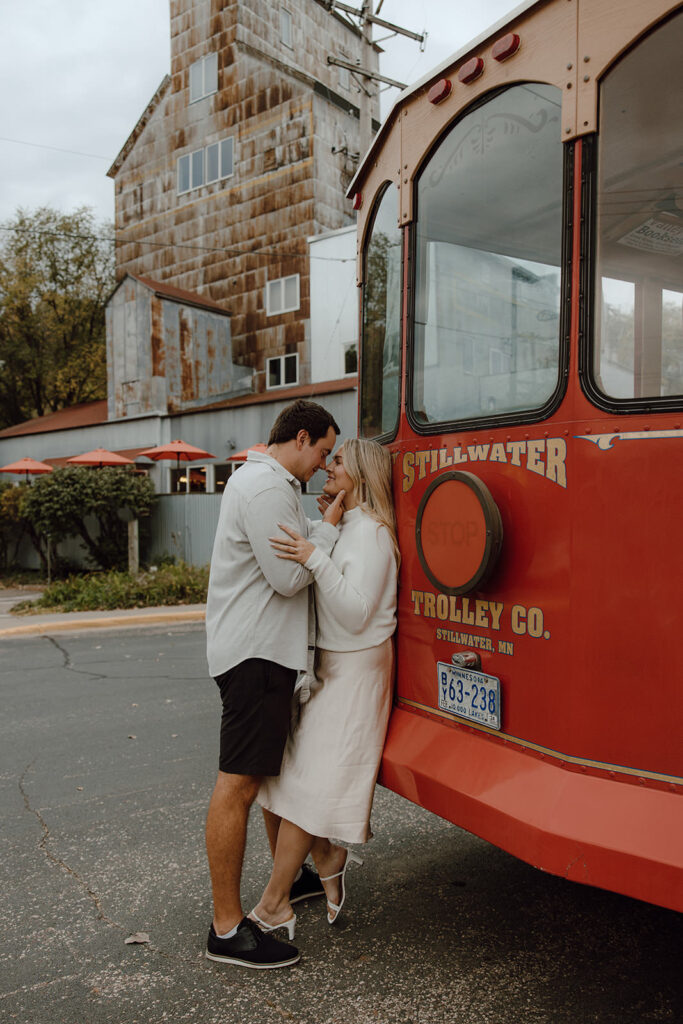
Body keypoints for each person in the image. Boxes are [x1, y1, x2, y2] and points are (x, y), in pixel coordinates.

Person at [204, 399, 345, 969]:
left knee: (263, 776)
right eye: (324, 452)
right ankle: (227, 928)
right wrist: (331, 527)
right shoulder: (265, 488)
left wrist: (317, 526)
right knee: (238, 784)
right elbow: (289, 576)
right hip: (256, 655)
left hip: (265, 654)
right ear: (302, 437)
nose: (323, 465)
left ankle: (296, 876)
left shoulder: (273, 484)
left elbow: (297, 540)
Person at [251, 437, 399, 938]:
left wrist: (316, 556)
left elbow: (356, 614)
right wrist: (326, 534)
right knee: (283, 782)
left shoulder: (377, 534)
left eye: (337, 461)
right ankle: (328, 860)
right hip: (327, 667)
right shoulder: (350, 525)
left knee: (308, 788)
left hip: (357, 671)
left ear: (360, 473)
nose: (327, 467)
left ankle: (276, 905)